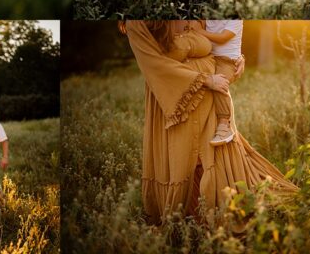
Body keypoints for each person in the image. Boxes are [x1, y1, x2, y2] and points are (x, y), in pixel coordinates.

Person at [124, 20, 297, 223]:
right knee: (186, 158)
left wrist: (236, 57)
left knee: (216, 156)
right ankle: (190, 219)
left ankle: (228, 210)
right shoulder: (138, 23)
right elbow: (153, 64)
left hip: (212, 101)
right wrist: (206, 80)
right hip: (178, 101)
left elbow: (218, 38)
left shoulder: (196, 8)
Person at [203, 19, 243, 145]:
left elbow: (223, 38)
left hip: (229, 62)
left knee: (220, 84)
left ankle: (225, 125)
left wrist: (200, 32)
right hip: (212, 58)